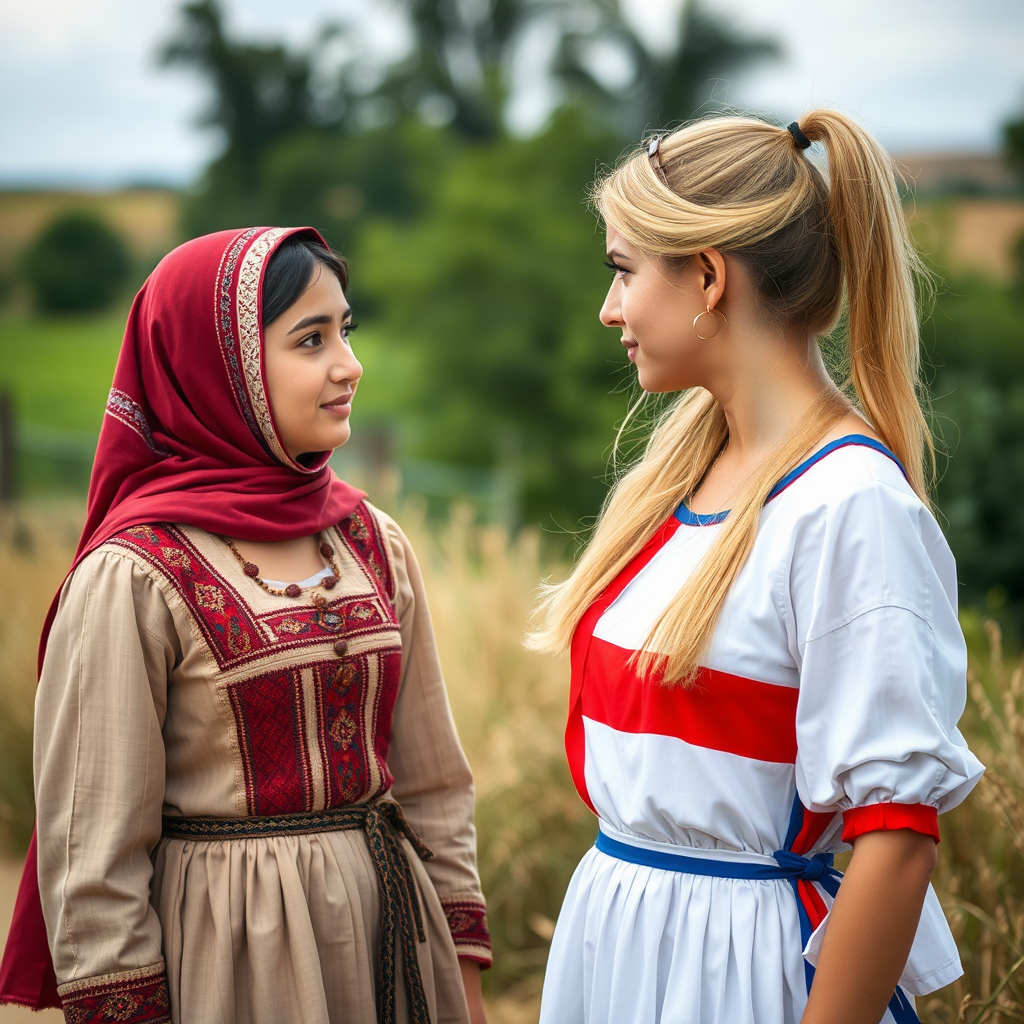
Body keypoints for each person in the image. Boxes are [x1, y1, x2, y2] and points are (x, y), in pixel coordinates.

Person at [527, 112, 985, 1024]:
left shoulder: (851, 504)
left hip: (737, 974)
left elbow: (896, 842)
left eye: (623, 270)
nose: (609, 308)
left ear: (706, 276)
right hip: (618, 946)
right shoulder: (679, 472)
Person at [0, 227, 491, 1024]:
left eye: (345, 331)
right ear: (218, 369)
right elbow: (94, 863)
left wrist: (462, 986)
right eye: (311, 339)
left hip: (397, 947)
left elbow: (435, 785)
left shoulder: (372, 541)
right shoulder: (133, 575)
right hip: (234, 963)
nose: (349, 365)